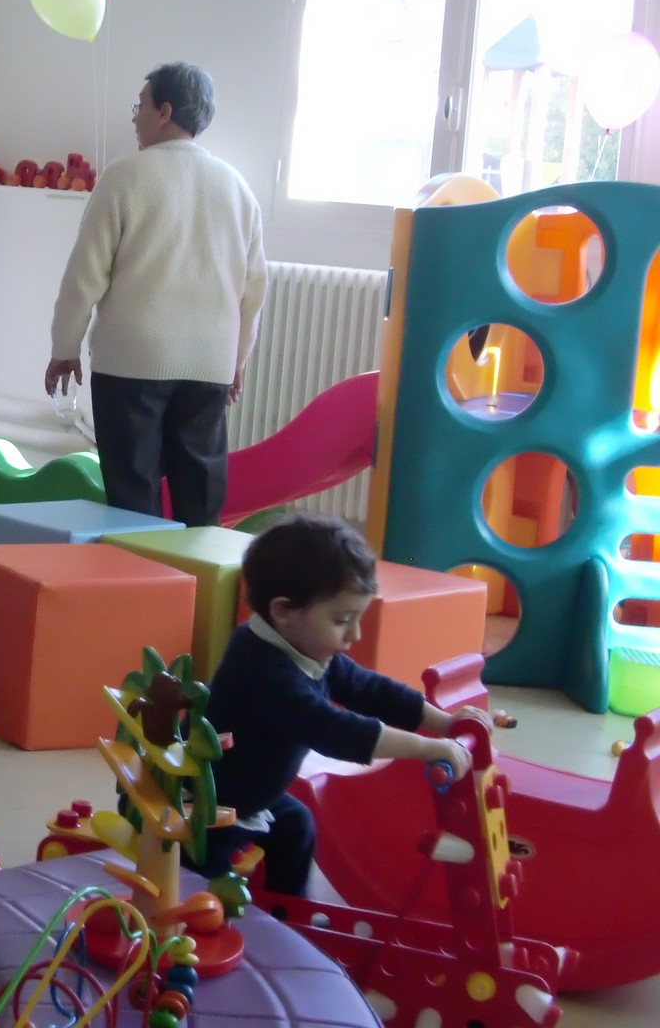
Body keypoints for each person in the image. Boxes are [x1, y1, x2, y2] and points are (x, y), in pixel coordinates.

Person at [189, 514, 491, 896]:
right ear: (283, 611)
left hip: (250, 796)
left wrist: (444, 723)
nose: (356, 634)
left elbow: (369, 689)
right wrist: (426, 749)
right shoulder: (261, 670)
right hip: (208, 806)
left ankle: (288, 915)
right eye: (342, 620)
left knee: (296, 826)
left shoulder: (303, 647)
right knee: (199, 882)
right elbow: (333, 731)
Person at [44, 62, 267, 526]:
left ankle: (142, 592)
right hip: (209, 363)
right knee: (200, 498)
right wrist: (236, 361)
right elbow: (254, 289)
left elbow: (84, 275)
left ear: (164, 111)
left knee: (133, 497)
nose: (134, 117)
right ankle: (200, 591)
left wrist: (65, 348)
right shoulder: (237, 188)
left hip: (132, 363)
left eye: (139, 106)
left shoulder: (126, 176)